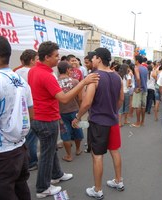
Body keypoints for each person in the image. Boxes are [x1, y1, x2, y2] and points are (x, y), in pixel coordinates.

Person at [28, 41, 99, 198]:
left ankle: (57, 174)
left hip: (41, 117)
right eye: (56, 55)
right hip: (46, 119)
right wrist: (83, 82)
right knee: (47, 154)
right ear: (47, 57)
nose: (58, 58)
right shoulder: (46, 75)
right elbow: (64, 98)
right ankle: (42, 188)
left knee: (51, 149)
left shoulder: (34, 70)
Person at [72, 47, 124, 200]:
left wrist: (78, 117)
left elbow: (87, 102)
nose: (92, 60)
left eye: (93, 58)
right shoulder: (117, 76)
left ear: (99, 59)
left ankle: (98, 189)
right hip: (113, 120)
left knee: (97, 156)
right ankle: (118, 181)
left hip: (99, 122)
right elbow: (120, 99)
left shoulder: (94, 77)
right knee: (114, 151)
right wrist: (113, 111)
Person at [0, 36, 34, 200]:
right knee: (21, 189)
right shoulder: (20, 80)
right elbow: (30, 114)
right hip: (19, 147)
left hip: (3, 153)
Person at [15, 49, 39, 171]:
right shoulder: (34, 72)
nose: (38, 61)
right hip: (32, 108)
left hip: (19, 109)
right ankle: (32, 162)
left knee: (24, 137)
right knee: (32, 137)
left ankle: (24, 160)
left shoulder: (16, 72)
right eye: (36, 59)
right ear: (31, 60)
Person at [57, 61, 84, 162]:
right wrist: (81, 110)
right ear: (67, 69)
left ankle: (69, 155)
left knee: (65, 133)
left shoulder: (55, 81)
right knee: (77, 130)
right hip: (74, 110)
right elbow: (80, 98)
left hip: (61, 112)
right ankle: (77, 150)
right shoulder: (75, 82)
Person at [131, 55, 148, 127]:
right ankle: (142, 121)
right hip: (145, 88)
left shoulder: (136, 68)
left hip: (139, 88)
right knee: (143, 106)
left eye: (134, 60)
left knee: (138, 106)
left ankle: (137, 122)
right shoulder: (145, 68)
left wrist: (139, 86)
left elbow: (138, 78)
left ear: (137, 61)